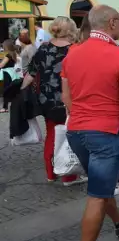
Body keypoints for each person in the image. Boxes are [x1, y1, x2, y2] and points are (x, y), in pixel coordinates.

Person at [61, 5, 119, 241]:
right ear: (113, 23)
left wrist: (80, 118)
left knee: (100, 184)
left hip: (77, 131)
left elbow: (66, 98)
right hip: (106, 131)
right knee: (97, 195)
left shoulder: (72, 54)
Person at [19, 17, 84, 185]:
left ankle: (50, 173)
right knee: (70, 134)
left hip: (47, 100)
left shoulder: (43, 48)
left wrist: (22, 92)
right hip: (71, 98)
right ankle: (69, 175)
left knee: (52, 135)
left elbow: (31, 73)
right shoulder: (75, 49)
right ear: (70, 29)